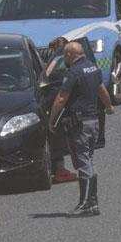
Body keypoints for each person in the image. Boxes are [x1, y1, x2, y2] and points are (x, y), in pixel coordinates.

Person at [48, 41, 114, 215]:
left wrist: (51, 119)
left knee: (83, 161)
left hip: (80, 123)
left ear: (70, 55)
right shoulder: (92, 68)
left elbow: (61, 99)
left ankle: (86, 203)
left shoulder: (73, 72)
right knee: (89, 160)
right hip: (93, 121)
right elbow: (102, 91)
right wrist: (109, 107)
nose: (64, 58)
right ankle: (93, 202)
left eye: (64, 55)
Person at [44, 36, 77, 184]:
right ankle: (59, 170)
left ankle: (58, 168)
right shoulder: (58, 62)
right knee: (59, 136)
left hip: (52, 100)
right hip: (56, 101)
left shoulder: (49, 60)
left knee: (57, 136)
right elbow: (47, 75)